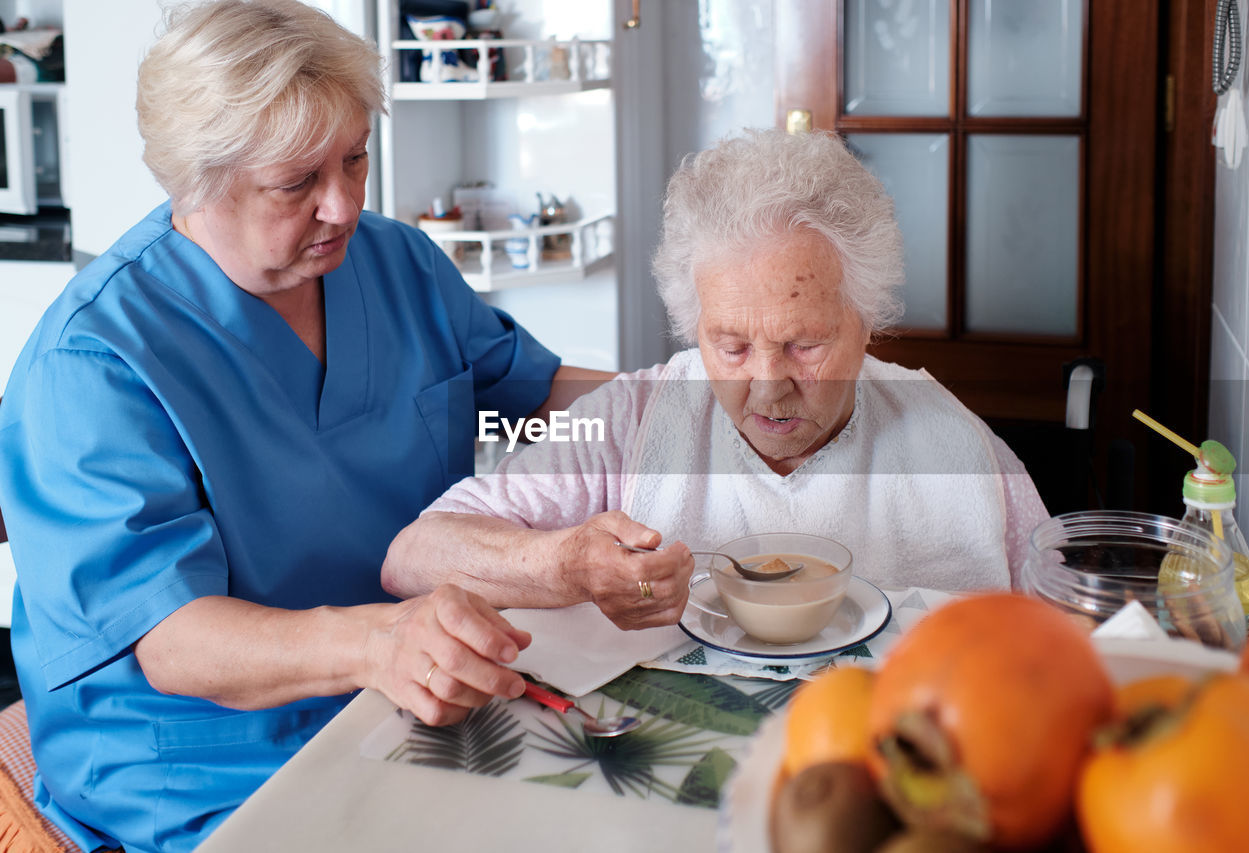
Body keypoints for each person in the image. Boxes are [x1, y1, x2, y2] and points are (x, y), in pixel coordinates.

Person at [0, 2, 610, 850]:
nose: (343, 206)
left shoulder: (396, 264)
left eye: (356, 159)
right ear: (194, 182)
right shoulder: (95, 363)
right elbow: (176, 642)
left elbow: (532, 398)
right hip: (202, 756)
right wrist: (379, 642)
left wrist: (697, 399)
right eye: (297, 184)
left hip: (401, 691)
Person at [382, 128, 1049, 616]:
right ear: (690, 321)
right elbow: (413, 554)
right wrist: (566, 564)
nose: (766, 385)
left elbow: (1070, 638)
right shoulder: (632, 423)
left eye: (804, 345)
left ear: (865, 321)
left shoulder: (960, 452)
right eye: (729, 345)